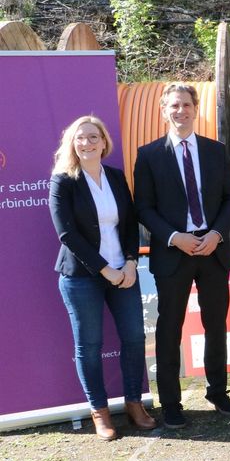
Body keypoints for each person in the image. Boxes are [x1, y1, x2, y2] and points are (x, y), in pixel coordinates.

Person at [133, 83, 230, 429]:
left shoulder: (214, 150)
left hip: (211, 251)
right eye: (174, 106)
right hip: (173, 253)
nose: (181, 111)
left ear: (196, 109)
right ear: (164, 110)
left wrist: (216, 234)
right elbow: (144, 208)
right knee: (169, 329)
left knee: (216, 325)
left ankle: (218, 391)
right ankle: (171, 403)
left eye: (186, 105)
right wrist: (173, 237)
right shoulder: (148, 155)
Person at [49, 116, 152, 440]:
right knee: (89, 347)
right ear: (72, 143)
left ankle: (134, 404)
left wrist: (132, 263)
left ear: (104, 142)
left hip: (124, 272)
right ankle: (100, 412)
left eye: (94, 137)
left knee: (135, 338)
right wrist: (104, 269)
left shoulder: (117, 178)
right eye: (81, 138)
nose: (88, 143)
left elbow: (130, 223)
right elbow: (67, 234)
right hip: (81, 277)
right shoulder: (62, 181)